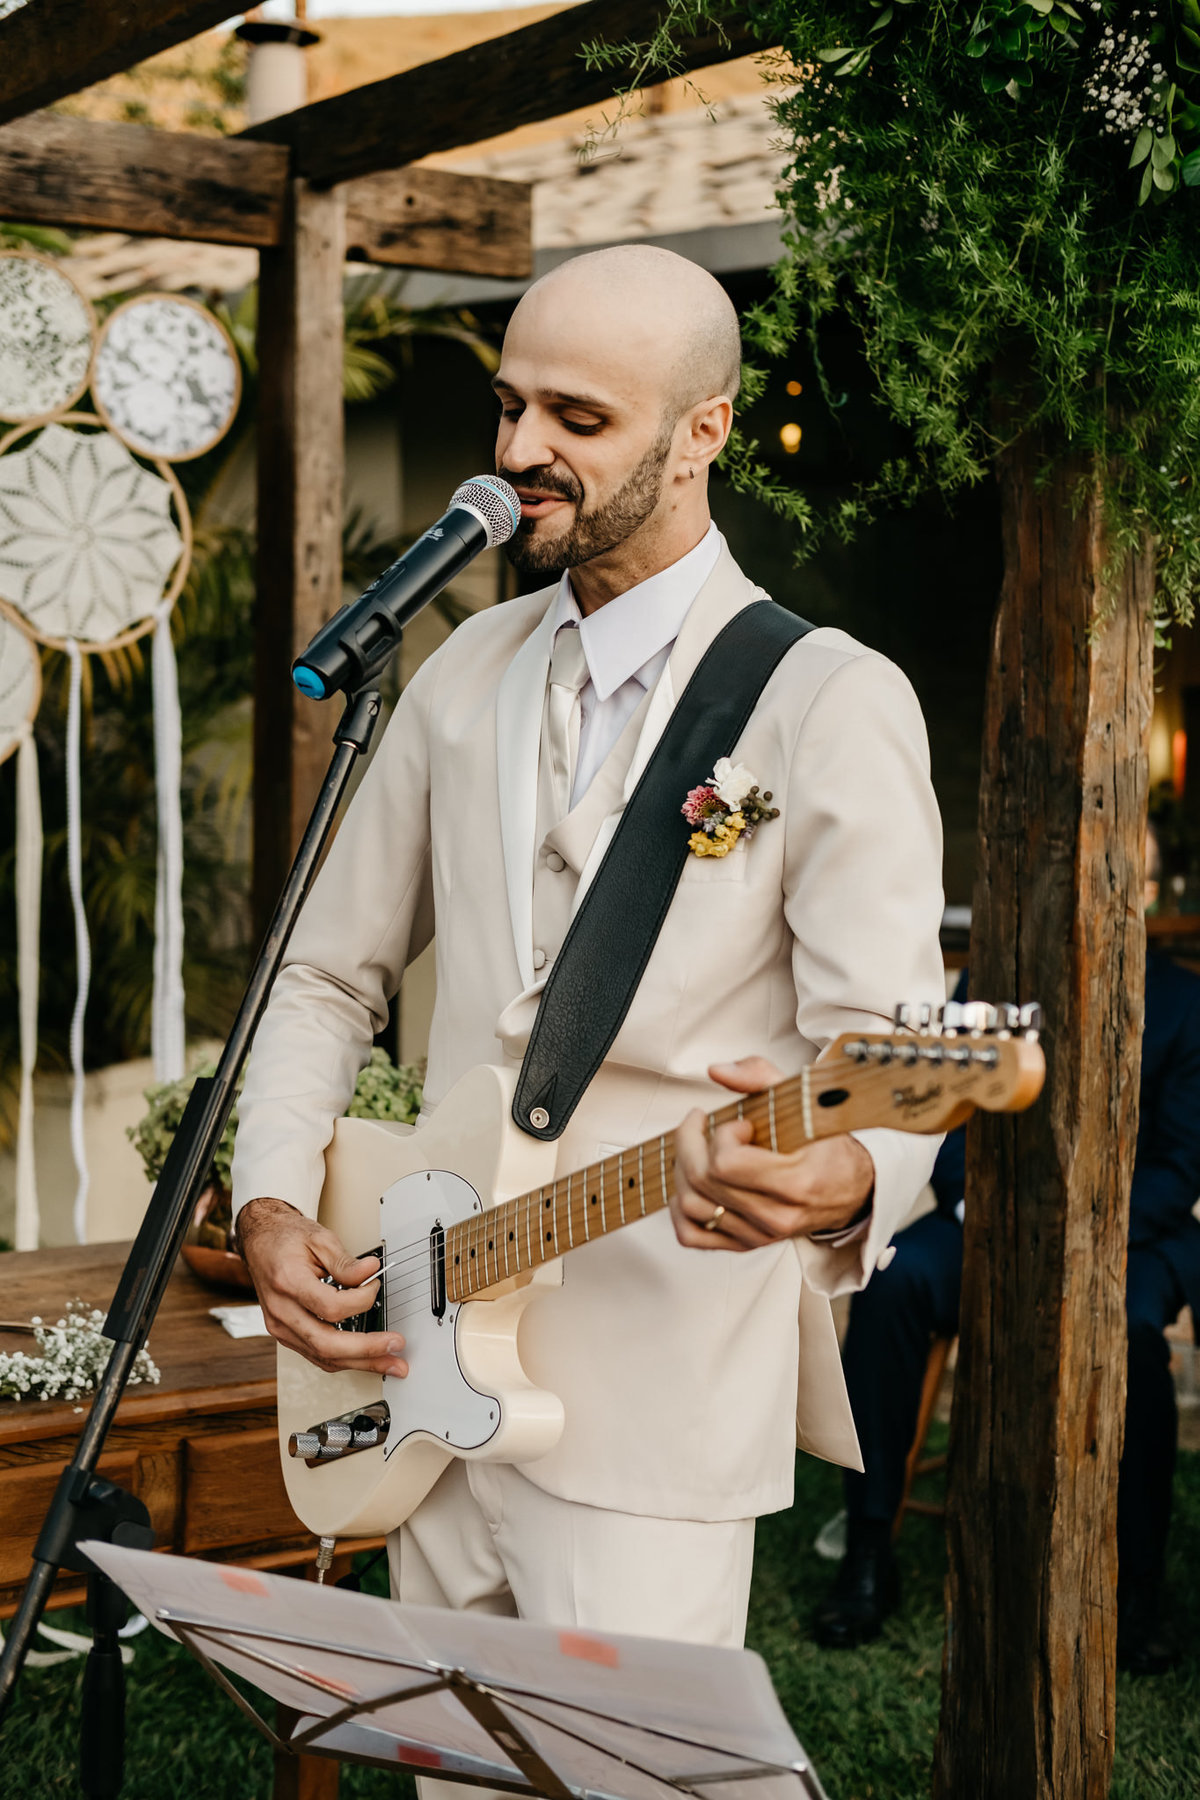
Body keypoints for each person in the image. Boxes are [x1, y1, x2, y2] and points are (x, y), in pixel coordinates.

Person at [231, 245, 946, 1729]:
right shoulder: (459, 672)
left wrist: (850, 1172)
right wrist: (272, 1196)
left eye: (577, 416)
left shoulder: (831, 698)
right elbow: (322, 972)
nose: (516, 454)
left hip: (657, 1399)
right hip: (423, 1367)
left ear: (706, 431)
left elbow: (900, 1054)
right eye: (507, 407)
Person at [815, 828, 1200, 1673]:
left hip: (1137, 1236)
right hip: (984, 1223)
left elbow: (1179, 1167)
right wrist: (972, 1206)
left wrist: (1085, 1236)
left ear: (1136, 887)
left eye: (1113, 875)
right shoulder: (990, 984)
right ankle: (868, 1550)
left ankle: (1135, 1591)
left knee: (1131, 1336)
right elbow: (946, 1129)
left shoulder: (1182, 1001)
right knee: (890, 1282)